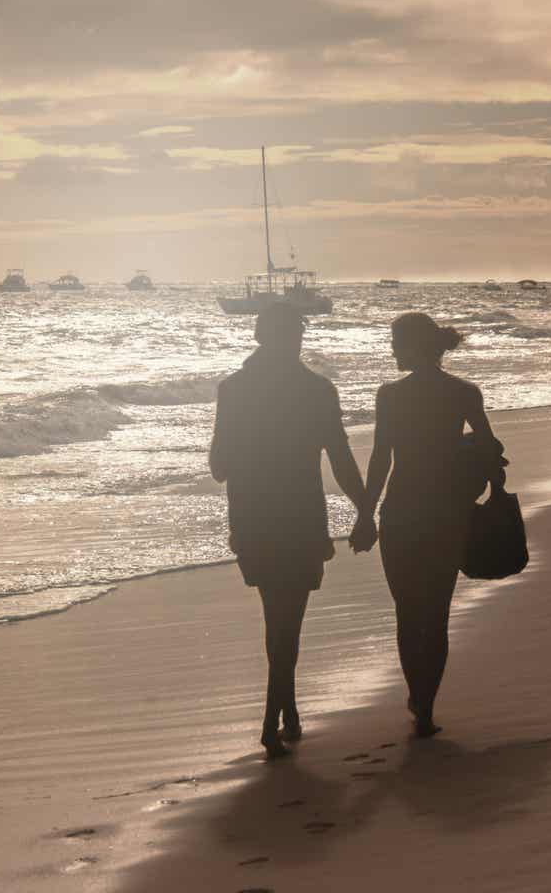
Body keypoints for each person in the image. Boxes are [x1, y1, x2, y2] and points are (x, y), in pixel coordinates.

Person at [209, 302, 371, 759]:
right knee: (289, 618)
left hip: (253, 515)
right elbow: (339, 458)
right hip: (300, 516)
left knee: (275, 616)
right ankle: (272, 719)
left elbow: (219, 467)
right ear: (294, 338)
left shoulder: (233, 390)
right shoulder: (317, 391)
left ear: (260, 336)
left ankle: (287, 711)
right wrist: (364, 510)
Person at [356, 312, 496, 738]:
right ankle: (426, 707)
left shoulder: (390, 396)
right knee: (435, 614)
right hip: (446, 514)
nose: (392, 350)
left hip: (400, 512)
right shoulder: (464, 392)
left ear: (414, 346)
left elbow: (382, 458)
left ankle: (417, 694)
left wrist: (365, 514)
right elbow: (489, 450)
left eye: (396, 343)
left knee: (407, 612)